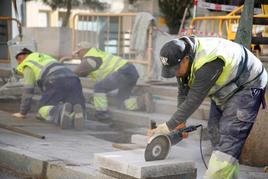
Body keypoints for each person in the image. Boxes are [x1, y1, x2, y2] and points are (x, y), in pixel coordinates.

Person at [148, 36, 267, 179]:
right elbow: (183, 92)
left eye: (176, 70)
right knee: (214, 129)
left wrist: (167, 127)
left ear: (185, 59)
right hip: (227, 87)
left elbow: (193, 100)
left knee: (229, 135)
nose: (176, 74)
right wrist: (180, 123)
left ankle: (216, 176)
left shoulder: (207, 64)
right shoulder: (182, 58)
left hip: (248, 84)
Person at [12, 48, 86, 130]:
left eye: (19, 59)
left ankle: (60, 112)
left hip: (55, 81)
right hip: (74, 79)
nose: (19, 63)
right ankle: (76, 115)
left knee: (42, 109)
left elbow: (28, 90)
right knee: (76, 105)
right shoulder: (45, 57)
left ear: (25, 56)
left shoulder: (28, 64)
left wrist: (22, 112)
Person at [73, 47, 150, 120]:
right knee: (120, 102)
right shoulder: (97, 53)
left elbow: (76, 72)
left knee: (99, 88)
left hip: (123, 72)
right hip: (131, 71)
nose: (77, 56)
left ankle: (102, 113)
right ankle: (142, 101)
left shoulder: (89, 59)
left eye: (78, 53)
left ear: (83, 50)